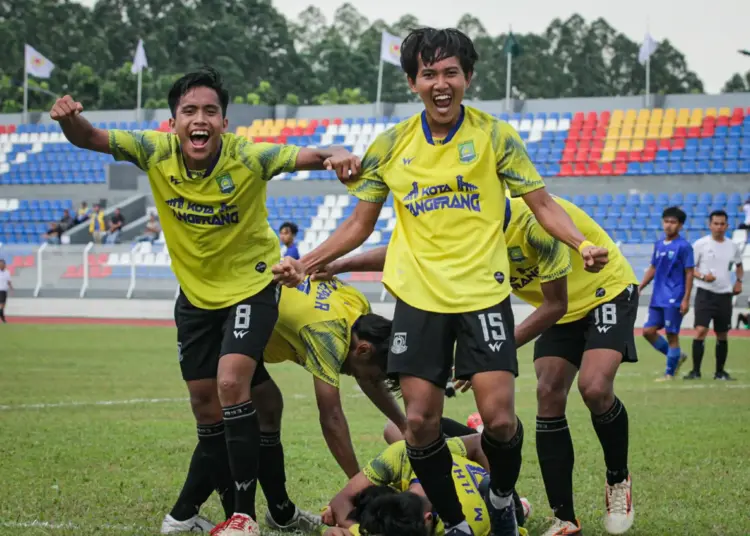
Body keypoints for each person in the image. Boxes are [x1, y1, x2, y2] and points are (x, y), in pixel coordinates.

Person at [280, 28, 607, 536]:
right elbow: (358, 224)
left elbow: (542, 205)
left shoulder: (495, 136)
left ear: (467, 77)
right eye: (428, 73)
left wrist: (580, 243)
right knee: (419, 425)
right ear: (412, 81)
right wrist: (307, 261)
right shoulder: (391, 145)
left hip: (483, 298)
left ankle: (500, 497)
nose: (440, 83)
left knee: (499, 421)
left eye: (450, 72)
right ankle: (454, 521)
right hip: (418, 301)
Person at [50, 66, 361, 536]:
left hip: (253, 288)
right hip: (195, 301)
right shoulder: (154, 150)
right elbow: (89, 136)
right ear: (173, 122)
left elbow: (310, 154)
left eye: (210, 111)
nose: (200, 119)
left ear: (225, 122)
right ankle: (270, 509)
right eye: (189, 110)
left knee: (231, 384)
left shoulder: (249, 156)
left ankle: (242, 516)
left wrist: (336, 153)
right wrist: (68, 119)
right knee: (218, 406)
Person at [308, 194, 640, 536]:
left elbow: (555, 304)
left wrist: (487, 354)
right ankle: (565, 519)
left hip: (605, 290)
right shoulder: (468, 230)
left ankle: (617, 479)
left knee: (594, 387)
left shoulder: (535, 225)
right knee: (548, 393)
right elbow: (404, 252)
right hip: (560, 308)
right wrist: (339, 265)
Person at [162, 276, 407, 534]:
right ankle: (182, 516)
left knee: (268, 405)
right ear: (364, 350)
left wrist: (402, 423)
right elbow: (331, 417)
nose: (368, 380)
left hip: (241, 308)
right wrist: (360, 486)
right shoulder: (327, 334)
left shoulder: (358, 307)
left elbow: (366, 378)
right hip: (224, 315)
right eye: (373, 374)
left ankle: (281, 512)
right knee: (225, 417)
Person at [319, 433, 530, 536]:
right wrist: (354, 528)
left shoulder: (466, 525)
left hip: (500, 503)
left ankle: (520, 506)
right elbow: (339, 504)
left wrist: (498, 492)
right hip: (469, 478)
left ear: (429, 520)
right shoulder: (404, 454)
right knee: (393, 429)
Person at [684, 210, 744, 381]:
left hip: (725, 294)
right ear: (710, 225)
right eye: (716, 223)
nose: (719, 227)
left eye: (722, 224)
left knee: (722, 333)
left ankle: (720, 372)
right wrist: (703, 276)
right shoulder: (700, 244)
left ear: (727, 226)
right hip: (705, 293)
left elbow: (739, 265)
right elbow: (690, 268)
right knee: (701, 330)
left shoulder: (732, 246)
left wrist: (739, 281)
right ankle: (696, 371)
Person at [639, 207, 694, 381]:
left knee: (672, 334)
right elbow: (654, 268)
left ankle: (669, 373)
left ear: (680, 225)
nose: (669, 225)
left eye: (673, 222)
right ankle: (677, 356)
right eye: (666, 221)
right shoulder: (659, 244)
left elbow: (690, 273)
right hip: (658, 296)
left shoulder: (684, 247)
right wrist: (640, 286)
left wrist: (686, 299)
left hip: (674, 296)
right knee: (648, 331)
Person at [0, 258, 12, 323]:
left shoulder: (7, 272)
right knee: (2, 305)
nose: (1, 265)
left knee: (3, 305)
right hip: (0, 290)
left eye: (2, 264)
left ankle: (3, 318)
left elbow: (8, 281)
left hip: (4, 291)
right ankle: (3, 319)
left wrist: (11, 288)